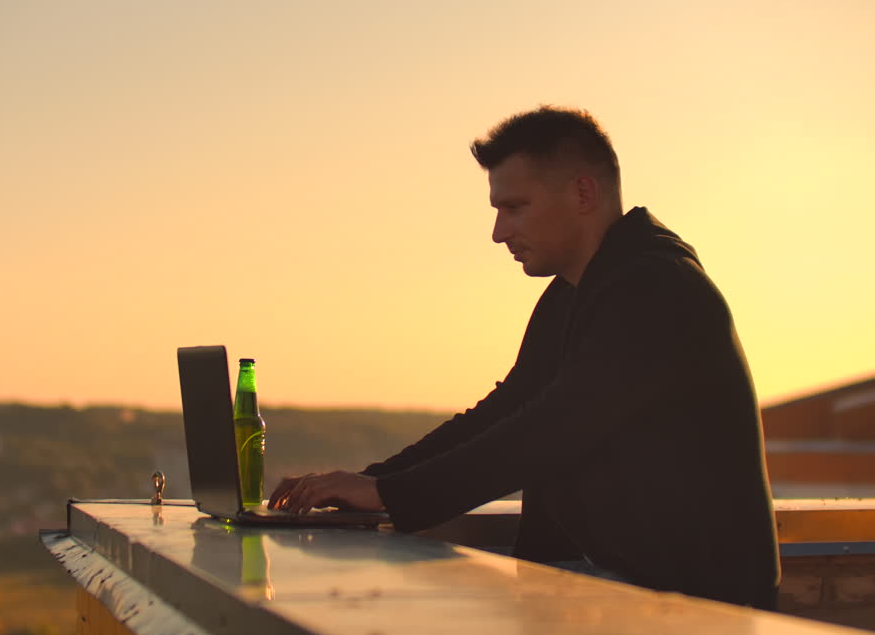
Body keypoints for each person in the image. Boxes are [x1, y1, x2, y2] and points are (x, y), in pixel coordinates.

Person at [269, 105, 780, 609]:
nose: (498, 232)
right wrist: (366, 483)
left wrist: (387, 493)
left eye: (514, 207)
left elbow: (547, 432)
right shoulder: (574, 291)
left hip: (694, 605)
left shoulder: (656, 288)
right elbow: (506, 410)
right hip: (615, 581)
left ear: (583, 192)